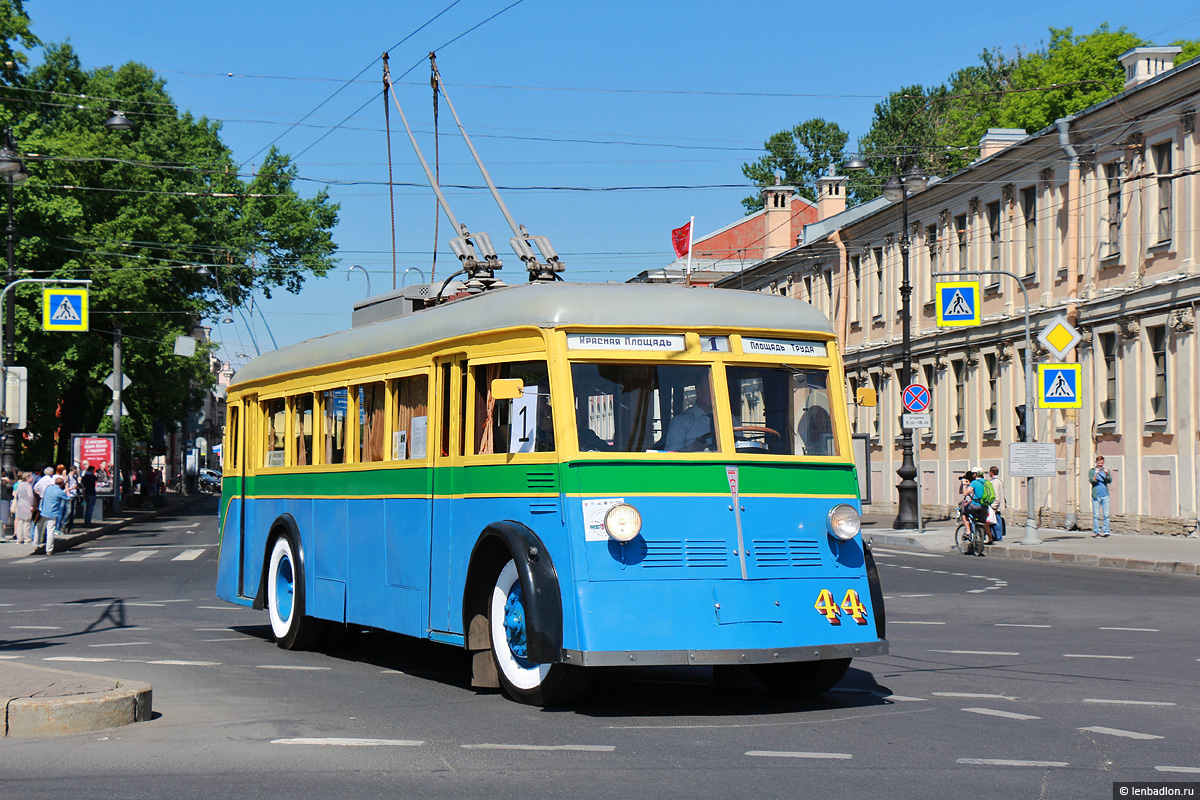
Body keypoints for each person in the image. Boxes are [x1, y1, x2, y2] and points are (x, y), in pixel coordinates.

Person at [664, 380, 715, 452]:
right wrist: (693, 447)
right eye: (711, 389)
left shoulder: (730, 419)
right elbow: (671, 456)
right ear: (698, 391)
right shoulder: (680, 422)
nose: (715, 394)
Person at [958, 467, 994, 544]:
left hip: (975, 505)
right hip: (984, 506)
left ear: (974, 474)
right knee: (983, 522)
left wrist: (964, 485)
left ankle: (968, 532)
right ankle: (990, 538)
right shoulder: (987, 482)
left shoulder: (974, 483)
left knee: (964, 513)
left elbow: (965, 493)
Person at [40, 475, 69, 555]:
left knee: (38, 528)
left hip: (44, 511)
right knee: (50, 531)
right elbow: (68, 498)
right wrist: (66, 489)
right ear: (62, 484)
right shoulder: (59, 491)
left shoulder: (48, 488)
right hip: (52, 513)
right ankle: (49, 549)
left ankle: (36, 544)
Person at [1089, 455, 1113, 538]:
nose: (1100, 464)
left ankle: (1106, 531)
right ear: (1096, 462)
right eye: (1099, 463)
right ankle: (1097, 532)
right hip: (1096, 495)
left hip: (1105, 495)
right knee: (1096, 515)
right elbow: (1092, 481)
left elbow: (1109, 481)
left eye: (1102, 463)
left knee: (1106, 514)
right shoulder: (1092, 471)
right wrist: (1096, 474)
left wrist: (1107, 474)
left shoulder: (1106, 470)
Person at [13, 471, 35, 545]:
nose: (32, 478)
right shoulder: (28, 486)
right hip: (27, 504)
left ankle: (19, 539)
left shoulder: (20, 485)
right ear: (28, 478)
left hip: (20, 504)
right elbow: (30, 496)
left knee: (20, 522)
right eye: (31, 477)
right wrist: (32, 505)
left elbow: (16, 494)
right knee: (27, 522)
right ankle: (27, 538)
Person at [988, 465, 1005, 541]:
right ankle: (996, 536)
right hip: (997, 505)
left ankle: (997, 537)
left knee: (996, 521)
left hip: (995, 506)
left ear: (991, 472)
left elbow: (996, 495)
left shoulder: (995, 482)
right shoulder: (999, 480)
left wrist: (994, 506)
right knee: (996, 520)